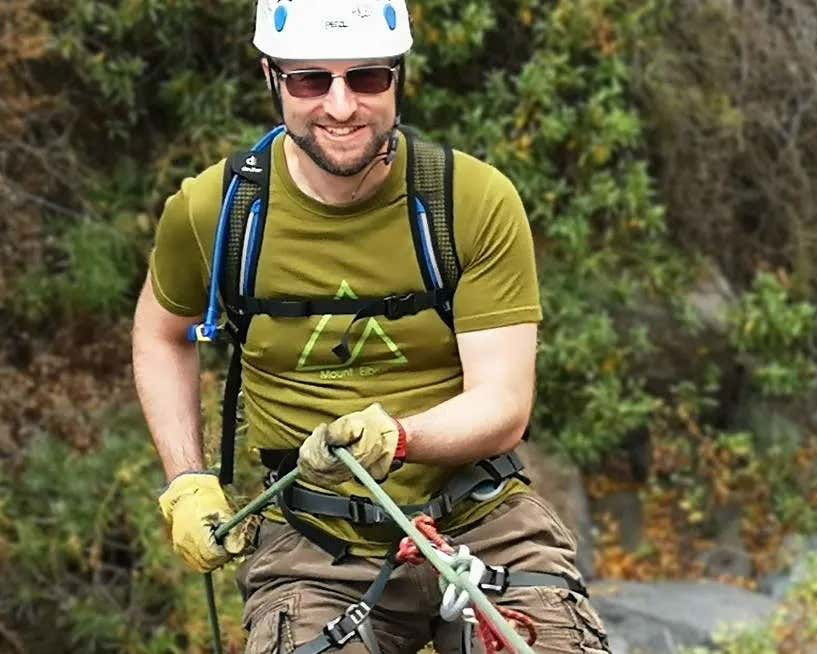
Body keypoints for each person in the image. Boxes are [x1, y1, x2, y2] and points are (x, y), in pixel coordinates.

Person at [131, 1, 610, 652]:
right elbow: (163, 334)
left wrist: (402, 436)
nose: (340, 105)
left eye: (366, 77)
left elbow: (504, 404)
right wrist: (187, 479)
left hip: (480, 513)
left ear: (398, 77)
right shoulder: (216, 213)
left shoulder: (469, 201)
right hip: (311, 541)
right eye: (309, 80)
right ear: (273, 77)